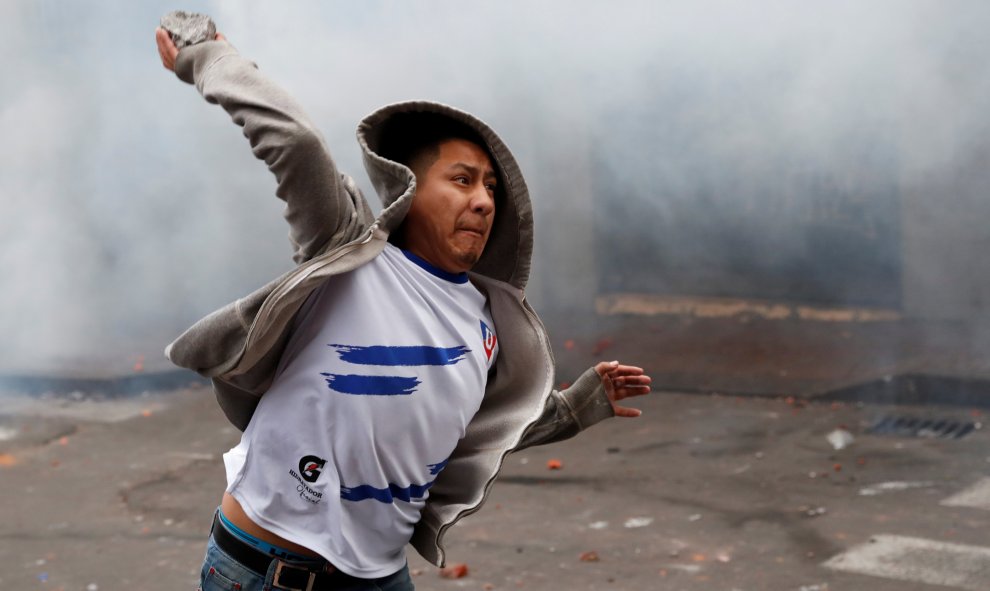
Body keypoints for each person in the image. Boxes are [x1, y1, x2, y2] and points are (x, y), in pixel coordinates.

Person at [155, 22, 651, 591]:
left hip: (382, 576)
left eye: (492, 188)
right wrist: (205, 55)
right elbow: (294, 142)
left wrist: (578, 406)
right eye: (462, 180)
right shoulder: (349, 252)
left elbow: (466, 429)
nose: (484, 201)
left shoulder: (487, 324)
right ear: (409, 192)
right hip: (269, 570)